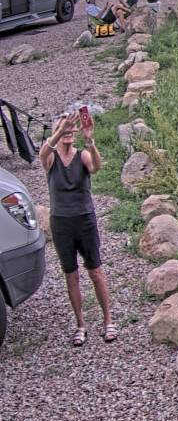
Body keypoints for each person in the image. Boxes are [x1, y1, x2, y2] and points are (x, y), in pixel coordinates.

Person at [38, 109, 115, 344]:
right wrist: (60, 129)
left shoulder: (81, 155)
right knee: (71, 275)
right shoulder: (51, 159)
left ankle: (108, 321)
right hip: (61, 223)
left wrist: (90, 140)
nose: (70, 132)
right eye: (65, 129)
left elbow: (96, 167)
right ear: (56, 133)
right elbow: (43, 153)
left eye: (72, 129)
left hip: (85, 220)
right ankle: (81, 325)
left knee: (96, 271)